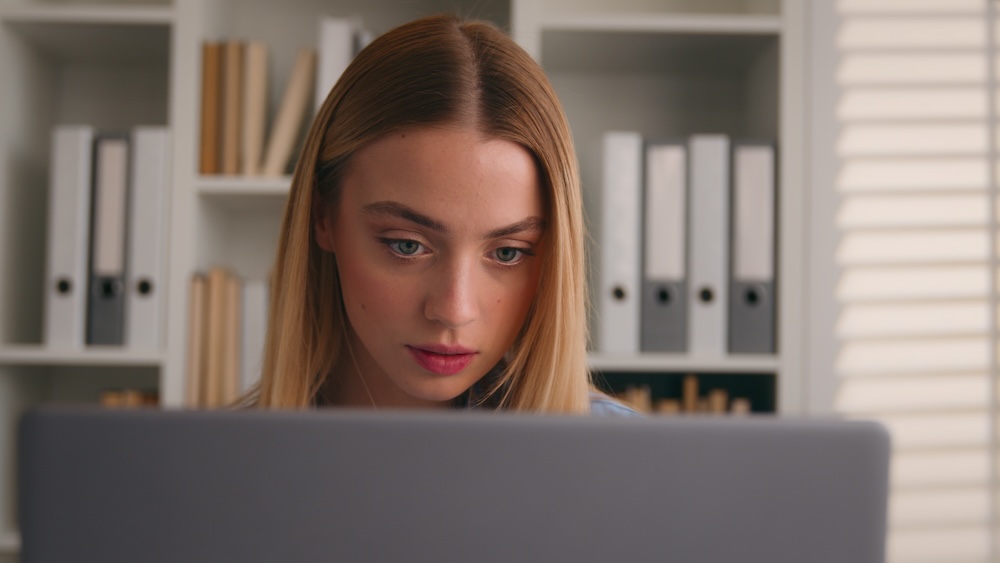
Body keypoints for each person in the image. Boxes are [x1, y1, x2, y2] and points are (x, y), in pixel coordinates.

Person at [248, 14, 636, 416]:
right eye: (407, 245)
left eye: (508, 253)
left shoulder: (630, 461)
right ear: (322, 217)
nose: (454, 310)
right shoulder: (210, 469)